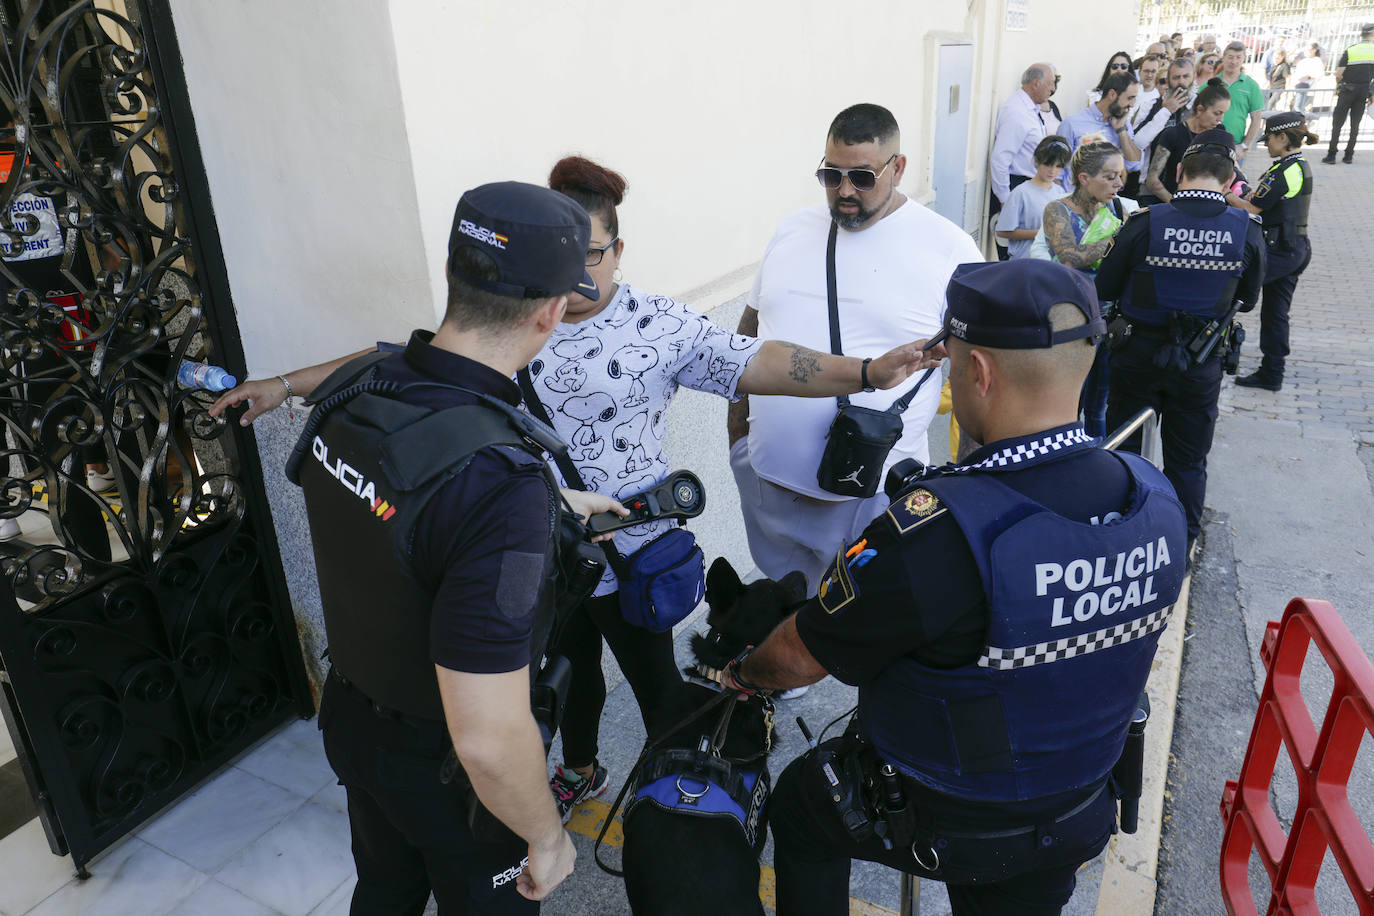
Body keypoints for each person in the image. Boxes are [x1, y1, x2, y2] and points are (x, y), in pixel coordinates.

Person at [214, 154, 939, 822]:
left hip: (630, 554)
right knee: (570, 675)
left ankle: (681, 796)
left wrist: (868, 373)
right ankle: (583, 768)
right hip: (537, 548)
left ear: (618, 250)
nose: (581, 273)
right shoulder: (512, 317)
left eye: (594, 253)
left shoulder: (659, 324)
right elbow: (397, 360)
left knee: (658, 689)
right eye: (567, 257)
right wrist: (283, 386)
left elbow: (760, 359)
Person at [724, 257, 1189, 916]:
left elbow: (798, 655)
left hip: (942, 805)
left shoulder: (937, 530)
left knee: (801, 808)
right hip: (1081, 800)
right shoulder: (1156, 496)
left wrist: (743, 674)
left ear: (978, 372)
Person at [294, 181, 606, 913]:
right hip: (446, 776)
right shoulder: (499, 482)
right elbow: (490, 740)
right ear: (552, 311)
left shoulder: (359, 385)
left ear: (454, 276)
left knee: (383, 892)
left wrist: (550, 508)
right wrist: (549, 837)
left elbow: (403, 511)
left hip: (354, 721)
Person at [728, 102, 983, 597]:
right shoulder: (791, 230)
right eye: (831, 175)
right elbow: (748, 330)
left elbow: (976, 374)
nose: (844, 191)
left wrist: (968, 487)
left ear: (898, 167)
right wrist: (738, 441)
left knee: (861, 631)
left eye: (862, 177)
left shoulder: (950, 250)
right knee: (784, 614)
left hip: (874, 501)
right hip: (768, 482)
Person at [1096, 129, 1267, 554]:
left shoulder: (1144, 222)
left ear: (1178, 172)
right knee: (1188, 461)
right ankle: (1178, 548)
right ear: (1230, 181)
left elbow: (1106, 284)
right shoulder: (1246, 229)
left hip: (1136, 354)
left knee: (1125, 452)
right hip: (1200, 361)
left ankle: (1121, 544)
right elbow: (1248, 298)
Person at [1041, 138, 1133, 437]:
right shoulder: (1057, 211)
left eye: (1121, 175)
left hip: (1107, 323)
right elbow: (1069, 257)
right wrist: (1119, 238)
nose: (1118, 183)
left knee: (1099, 407)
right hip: (1070, 325)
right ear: (1084, 178)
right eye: (1110, 177)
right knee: (1066, 407)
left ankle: (1099, 467)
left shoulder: (1118, 209)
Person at [1229, 112, 1319, 391]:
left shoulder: (1287, 169)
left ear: (1283, 138)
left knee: (1231, 291)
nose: (1265, 144)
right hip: (1292, 249)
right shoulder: (1293, 165)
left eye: (1268, 138)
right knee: (1275, 313)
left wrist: (1226, 196)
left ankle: (1210, 353)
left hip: (1281, 251)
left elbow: (1254, 208)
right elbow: (1261, 199)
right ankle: (1272, 374)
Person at [990, 63, 1058, 258]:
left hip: (1030, 185)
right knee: (1013, 255)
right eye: (1050, 84)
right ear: (1036, 83)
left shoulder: (1031, 108)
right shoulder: (1017, 111)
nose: (1053, 89)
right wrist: (1005, 199)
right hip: (1014, 186)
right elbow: (1000, 159)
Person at [1142, 78, 1232, 205]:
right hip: (1174, 202)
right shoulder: (1173, 134)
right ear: (1200, 109)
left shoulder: (1219, 133)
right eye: (1217, 113)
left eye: (1224, 114)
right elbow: (1152, 180)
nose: (1220, 119)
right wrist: (1176, 203)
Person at [1059, 71, 1142, 191]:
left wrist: (1121, 131)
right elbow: (1057, 171)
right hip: (1074, 201)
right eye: (1129, 98)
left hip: (1106, 204)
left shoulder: (1123, 123)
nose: (1132, 105)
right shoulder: (1072, 123)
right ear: (1112, 94)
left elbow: (1134, 164)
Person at [996, 136, 1071, 259]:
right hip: (1024, 262)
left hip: (1050, 263)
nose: (1052, 171)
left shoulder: (1059, 192)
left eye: (1058, 166)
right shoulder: (1021, 192)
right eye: (1048, 164)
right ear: (1036, 161)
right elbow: (1002, 230)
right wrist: (1041, 233)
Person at [1321, 24, 1374, 164]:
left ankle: (1331, 155)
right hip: (1363, 91)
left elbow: (1338, 74)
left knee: (1337, 123)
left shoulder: (1351, 50)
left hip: (1347, 90)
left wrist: (1338, 85)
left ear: (1362, 34)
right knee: (1355, 125)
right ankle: (1349, 156)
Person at [1216, 41, 1266, 163]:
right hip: (1210, 142)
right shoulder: (1212, 83)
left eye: (1238, 57)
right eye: (1230, 57)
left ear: (1243, 59)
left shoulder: (1251, 86)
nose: (1234, 62)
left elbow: (1256, 118)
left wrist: (1244, 145)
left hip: (1234, 146)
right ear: (1223, 58)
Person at [1292, 45, 1325, 115]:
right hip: (1298, 86)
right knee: (1297, 107)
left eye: (1308, 50)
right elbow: (1297, 74)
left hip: (1308, 87)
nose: (1305, 52)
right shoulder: (1303, 61)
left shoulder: (1317, 61)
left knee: (1299, 107)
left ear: (1314, 50)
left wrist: (1308, 77)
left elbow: (1320, 75)